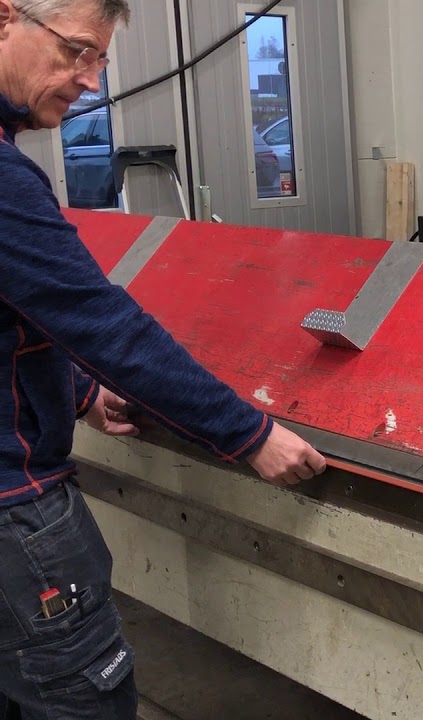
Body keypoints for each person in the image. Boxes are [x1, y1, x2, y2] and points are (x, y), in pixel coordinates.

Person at [0, 0, 328, 715]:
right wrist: (249, 434)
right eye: (76, 50)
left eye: (100, 60)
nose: (90, 79)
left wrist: (80, 393)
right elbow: (107, 328)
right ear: (4, 19)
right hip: (14, 516)